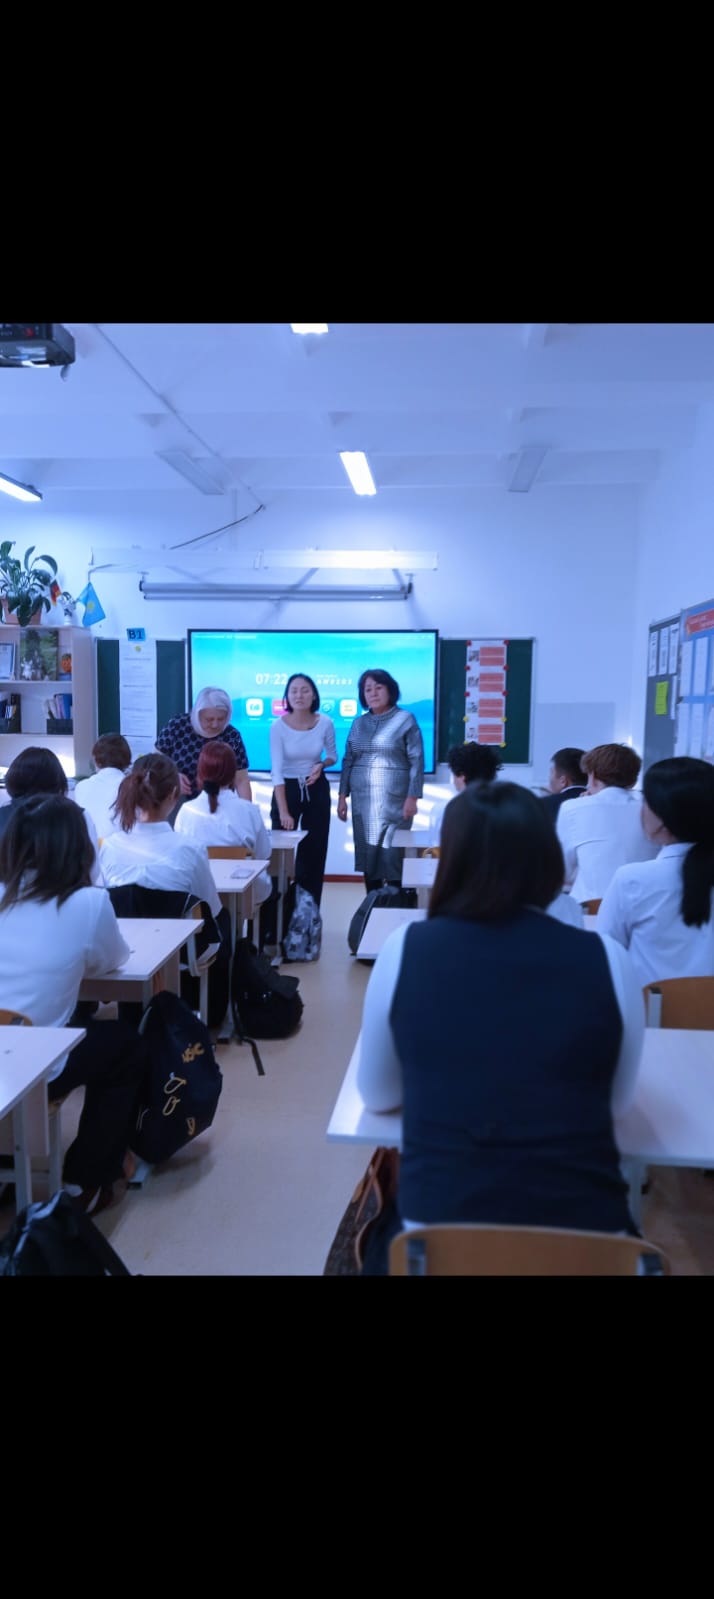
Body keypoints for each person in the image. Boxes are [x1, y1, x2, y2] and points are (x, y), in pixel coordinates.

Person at [355, 781, 645, 1272]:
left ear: (452, 860)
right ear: (548, 857)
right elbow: (614, 1103)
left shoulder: (405, 948)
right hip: (593, 1245)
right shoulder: (609, 958)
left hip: (438, 1240)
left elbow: (378, 1095)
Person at [0, 794, 151, 1216]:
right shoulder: (87, 902)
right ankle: (88, 1176)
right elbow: (112, 962)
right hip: (34, 1067)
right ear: (78, 847)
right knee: (126, 1047)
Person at [598, 756, 714, 987]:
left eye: (645, 801)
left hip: (651, 1009)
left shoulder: (632, 879)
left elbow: (606, 955)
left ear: (662, 817)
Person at [99, 752, 223, 920]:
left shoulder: (110, 847)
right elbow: (210, 909)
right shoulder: (191, 849)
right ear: (173, 794)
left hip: (125, 937)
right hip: (180, 937)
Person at [337, 669, 424, 891]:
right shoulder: (358, 723)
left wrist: (413, 796)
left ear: (390, 690)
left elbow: (416, 760)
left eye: (378, 687)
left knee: (393, 855)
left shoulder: (405, 719)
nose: (373, 693)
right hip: (362, 802)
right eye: (368, 689)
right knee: (369, 855)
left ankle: (397, 904)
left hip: (395, 802)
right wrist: (342, 796)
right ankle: (372, 903)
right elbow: (348, 759)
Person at [267, 673, 337, 933]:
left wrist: (321, 765)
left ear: (314, 695)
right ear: (287, 696)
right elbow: (276, 771)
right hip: (286, 790)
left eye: (305, 690)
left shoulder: (325, 722)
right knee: (281, 858)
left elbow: (332, 755)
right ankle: (277, 924)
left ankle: (308, 921)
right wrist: (284, 811)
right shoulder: (278, 727)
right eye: (294, 690)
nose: (299, 695)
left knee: (314, 855)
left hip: (316, 787)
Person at [175, 740, 272, 910]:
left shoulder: (187, 811)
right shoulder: (249, 810)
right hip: (246, 895)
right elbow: (264, 854)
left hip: (200, 897)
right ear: (233, 773)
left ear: (200, 772)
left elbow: (181, 855)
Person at [557, 742, 658, 904]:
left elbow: (562, 870)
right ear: (633, 780)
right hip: (644, 905)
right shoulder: (652, 807)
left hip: (591, 908)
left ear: (593, 776)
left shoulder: (573, 808)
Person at [0, 747, 102, 882]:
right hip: (67, 892)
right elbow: (92, 871)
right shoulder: (79, 816)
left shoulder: (3, 815)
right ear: (58, 780)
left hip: (8, 894)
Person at [156, 687, 251, 801]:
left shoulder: (232, 736)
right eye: (209, 719)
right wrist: (171, 777)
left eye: (221, 719)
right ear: (197, 714)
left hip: (220, 804)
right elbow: (156, 761)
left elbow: (241, 780)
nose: (215, 724)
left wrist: (247, 809)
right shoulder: (177, 726)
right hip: (176, 800)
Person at [74, 732, 132, 839]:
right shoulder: (132, 787)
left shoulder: (81, 786)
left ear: (95, 759)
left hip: (87, 847)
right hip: (120, 847)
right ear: (127, 760)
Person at [541, 747, 587, 823]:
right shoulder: (599, 802)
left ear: (563, 781)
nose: (549, 778)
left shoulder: (544, 805)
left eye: (551, 773)